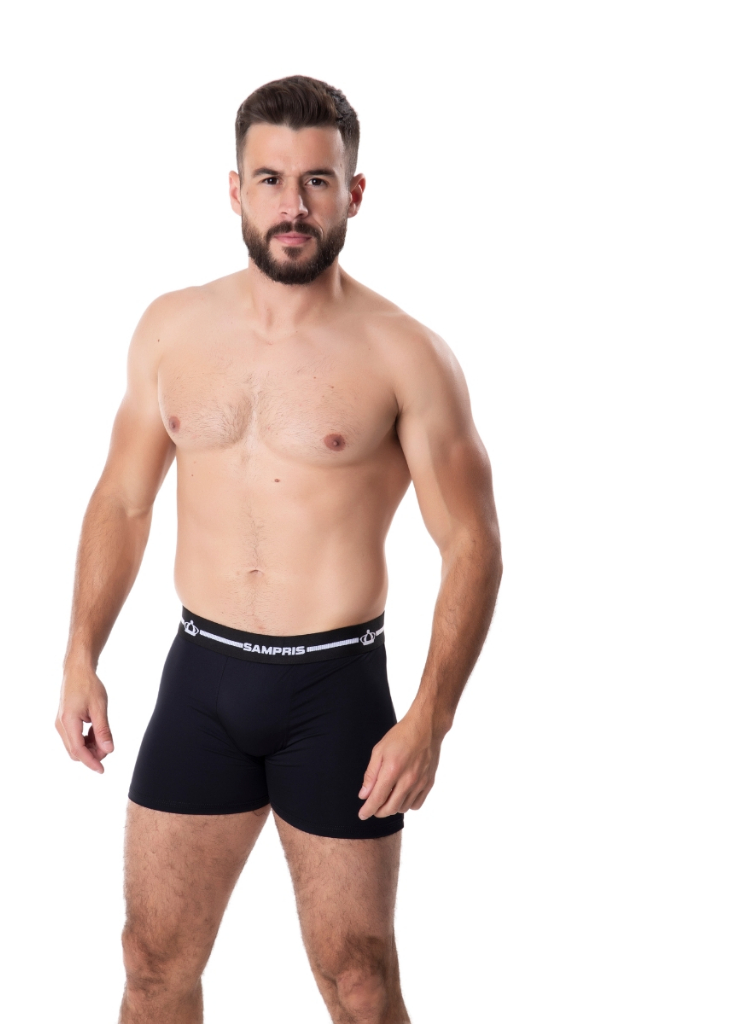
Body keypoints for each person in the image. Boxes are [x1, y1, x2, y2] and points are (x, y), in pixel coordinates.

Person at [55, 75, 502, 1024]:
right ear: (235, 190)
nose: (292, 206)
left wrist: (431, 717)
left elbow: (472, 543)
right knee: (150, 962)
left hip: (333, 691)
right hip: (202, 677)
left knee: (358, 978)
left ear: (354, 193)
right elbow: (124, 500)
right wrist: (81, 653)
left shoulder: (405, 354)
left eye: (316, 182)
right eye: (269, 180)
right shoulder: (172, 328)